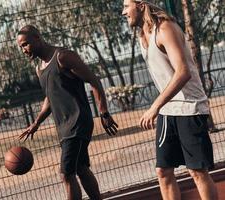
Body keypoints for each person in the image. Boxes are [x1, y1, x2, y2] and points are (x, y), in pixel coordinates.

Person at [122, 1, 218, 200]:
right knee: (163, 172)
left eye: (126, 6)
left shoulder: (165, 28)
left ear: (140, 5)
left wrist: (155, 106)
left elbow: (183, 72)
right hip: (168, 110)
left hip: (189, 108)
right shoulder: (142, 35)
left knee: (197, 172)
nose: (123, 12)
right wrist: (161, 106)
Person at [16, 25, 118, 200]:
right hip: (64, 128)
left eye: (25, 44)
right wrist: (37, 123)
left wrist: (104, 112)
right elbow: (50, 96)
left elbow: (93, 80)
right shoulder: (39, 68)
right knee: (81, 168)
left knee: (66, 174)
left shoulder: (63, 56)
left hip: (78, 121)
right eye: (21, 47)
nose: (23, 50)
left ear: (37, 37)